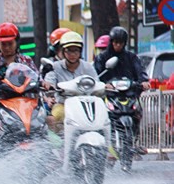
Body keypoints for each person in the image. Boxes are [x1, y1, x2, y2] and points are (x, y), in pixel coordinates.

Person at [94, 26, 150, 156]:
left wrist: (143, 81)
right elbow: (96, 74)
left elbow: (140, 71)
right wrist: (103, 85)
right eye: (115, 42)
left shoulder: (131, 57)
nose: (117, 45)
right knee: (102, 116)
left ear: (125, 43)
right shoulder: (102, 57)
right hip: (109, 95)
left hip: (129, 94)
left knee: (138, 111)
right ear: (111, 42)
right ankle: (103, 145)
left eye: (120, 42)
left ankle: (135, 140)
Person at [0, 22, 38, 138]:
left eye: (10, 43)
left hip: (25, 102)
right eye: (3, 44)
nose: (7, 47)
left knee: (47, 119)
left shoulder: (26, 60)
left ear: (17, 42)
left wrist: (44, 83)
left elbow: (37, 77)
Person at [43, 31, 100, 133]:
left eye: (76, 51)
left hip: (86, 106)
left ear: (80, 51)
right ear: (63, 51)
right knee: (53, 118)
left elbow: (97, 83)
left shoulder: (88, 67)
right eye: (69, 51)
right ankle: (58, 146)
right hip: (63, 105)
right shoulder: (55, 67)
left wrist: (104, 87)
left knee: (103, 118)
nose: (72, 54)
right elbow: (49, 81)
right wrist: (48, 85)